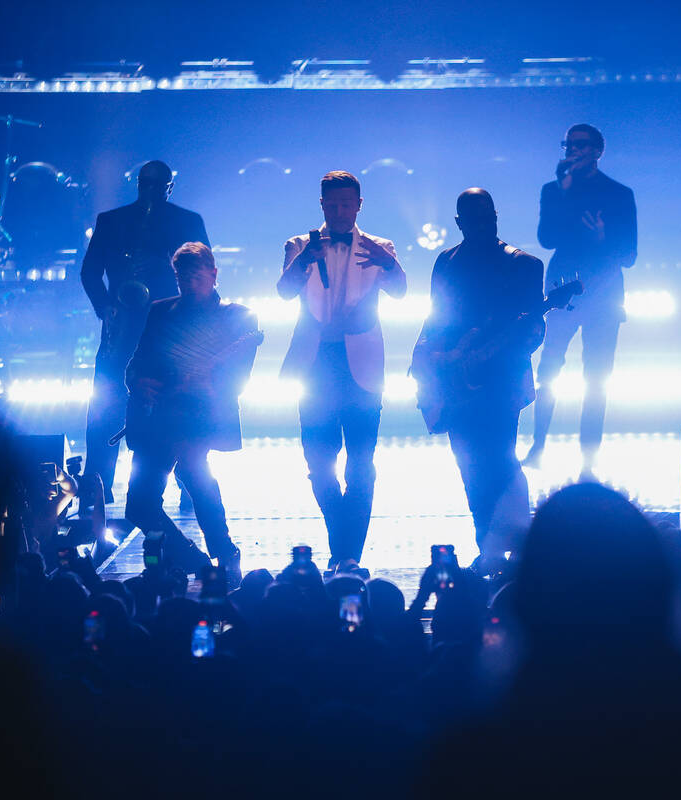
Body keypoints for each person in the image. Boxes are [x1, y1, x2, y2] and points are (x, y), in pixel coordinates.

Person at [277, 171, 407, 572]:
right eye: (331, 205)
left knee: (361, 463)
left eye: (346, 204)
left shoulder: (379, 246)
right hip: (315, 363)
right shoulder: (299, 245)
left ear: (359, 205)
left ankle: (347, 554)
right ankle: (344, 543)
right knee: (319, 462)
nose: (339, 211)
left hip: (362, 366)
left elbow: (401, 292)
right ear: (321, 205)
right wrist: (301, 263)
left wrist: (393, 266)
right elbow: (283, 292)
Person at [411, 189, 544, 564]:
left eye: (488, 216)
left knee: (500, 460)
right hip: (455, 377)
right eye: (474, 218)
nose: (484, 224)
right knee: (469, 461)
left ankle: (511, 546)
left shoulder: (524, 265)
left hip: (501, 381)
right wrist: (425, 357)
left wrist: (494, 353)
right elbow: (436, 317)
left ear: (497, 216)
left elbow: (534, 331)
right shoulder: (447, 262)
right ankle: (487, 544)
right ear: (459, 223)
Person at [123, 243, 259, 579]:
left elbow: (239, 375)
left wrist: (210, 386)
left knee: (194, 472)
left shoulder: (237, 316)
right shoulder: (160, 311)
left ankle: (223, 553)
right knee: (139, 504)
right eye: (183, 278)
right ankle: (197, 560)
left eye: (196, 276)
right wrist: (138, 382)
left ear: (213, 274)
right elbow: (136, 363)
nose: (189, 283)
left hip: (201, 414)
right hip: (157, 415)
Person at [80, 161, 209, 503]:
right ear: (138, 184)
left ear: (169, 187)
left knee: (177, 409)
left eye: (157, 185)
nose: (150, 190)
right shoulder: (111, 221)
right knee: (106, 407)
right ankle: (97, 490)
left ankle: (187, 486)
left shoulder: (187, 221)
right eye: (145, 184)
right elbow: (90, 272)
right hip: (121, 325)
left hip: (169, 329)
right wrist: (104, 306)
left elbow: (204, 271)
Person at [524, 123, 637, 479]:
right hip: (562, 288)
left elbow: (629, 255)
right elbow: (546, 237)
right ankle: (539, 445)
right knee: (549, 368)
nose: (573, 150)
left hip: (603, 291)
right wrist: (565, 193)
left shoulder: (619, 194)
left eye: (581, 145)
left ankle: (589, 459)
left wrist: (603, 238)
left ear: (598, 150)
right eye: (569, 145)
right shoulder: (554, 191)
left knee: (597, 377)